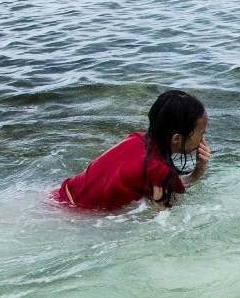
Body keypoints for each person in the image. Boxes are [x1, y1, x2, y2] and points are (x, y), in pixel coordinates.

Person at [53, 89, 209, 211]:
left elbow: (157, 182)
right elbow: (162, 218)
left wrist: (198, 170)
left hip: (59, 196)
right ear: (177, 139)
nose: (203, 138)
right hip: (74, 213)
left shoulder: (137, 139)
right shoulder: (160, 170)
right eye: (201, 133)